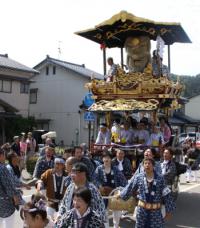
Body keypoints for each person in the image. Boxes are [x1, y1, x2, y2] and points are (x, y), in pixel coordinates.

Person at [119, 158, 175, 228]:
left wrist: (168, 211)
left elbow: (167, 195)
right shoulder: (138, 177)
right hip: (141, 211)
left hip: (155, 212)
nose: (147, 165)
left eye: (149, 163)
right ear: (143, 166)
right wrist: (120, 194)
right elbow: (129, 188)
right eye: (145, 163)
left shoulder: (160, 179)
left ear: (153, 166)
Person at [94, 151, 127, 228]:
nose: (106, 159)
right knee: (104, 211)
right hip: (103, 194)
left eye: (108, 157)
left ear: (111, 159)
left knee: (117, 211)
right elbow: (95, 179)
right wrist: (100, 186)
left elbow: (123, 180)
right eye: (105, 157)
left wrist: (121, 189)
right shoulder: (99, 169)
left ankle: (116, 226)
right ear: (102, 159)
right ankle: (106, 226)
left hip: (114, 192)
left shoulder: (115, 169)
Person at [0, 148, 19, 228]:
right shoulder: (2, 168)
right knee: (9, 224)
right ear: (1, 156)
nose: (4, 157)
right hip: (5, 202)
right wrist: (15, 197)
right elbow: (8, 185)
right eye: (4, 155)